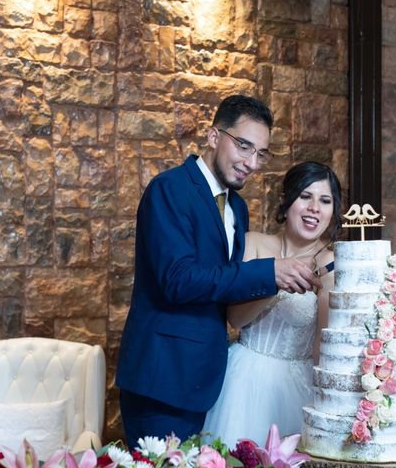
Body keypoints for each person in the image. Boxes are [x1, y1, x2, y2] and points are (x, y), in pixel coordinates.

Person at [115, 95, 322, 446]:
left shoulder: (236, 208)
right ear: (214, 136)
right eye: (244, 146)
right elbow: (178, 281)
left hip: (208, 381)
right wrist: (268, 273)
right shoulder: (170, 189)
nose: (251, 163)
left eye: (261, 154)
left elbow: (226, 293)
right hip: (163, 379)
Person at [203, 161, 342, 446]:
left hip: (296, 387)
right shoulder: (253, 243)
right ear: (286, 201)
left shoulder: (329, 265)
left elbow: (325, 345)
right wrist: (275, 282)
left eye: (325, 201)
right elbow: (236, 319)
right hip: (242, 381)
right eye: (305, 196)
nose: (315, 207)